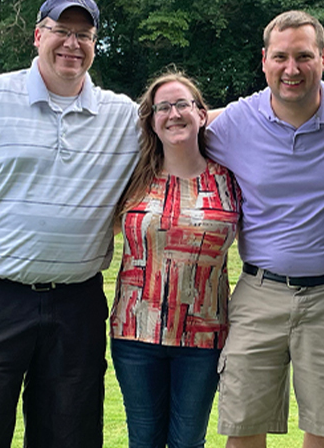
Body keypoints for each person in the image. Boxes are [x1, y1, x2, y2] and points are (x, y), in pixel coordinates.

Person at [0, 0, 140, 448]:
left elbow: (187, 121)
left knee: (69, 435)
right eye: (61, 31)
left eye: (84, 35)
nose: (72, 44)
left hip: (76, 303)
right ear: (38, 35)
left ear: (95, 44)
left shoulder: (121, 116)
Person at [205, 10, 324, 448]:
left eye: (303, 56)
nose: (291, 69)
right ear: (264, 60)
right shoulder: (237, 121)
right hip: (258, 294)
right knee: (241, 426)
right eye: (280, 57)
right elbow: (175, 129)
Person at [110, 71, 240, 447]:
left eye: (183, 104)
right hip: (136, 332)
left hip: (204, 335)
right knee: (145, 439)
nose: (173, 113)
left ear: (202, 113)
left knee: (188, 442)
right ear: (151, 120)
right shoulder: (133, 174)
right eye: (162, 107)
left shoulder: (229, 178)